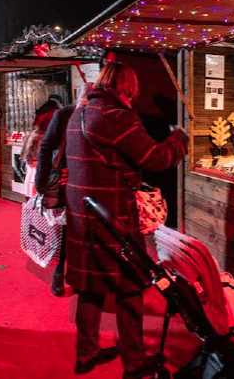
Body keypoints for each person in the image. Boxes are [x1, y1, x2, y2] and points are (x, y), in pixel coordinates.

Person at [64, 62, 188, 378]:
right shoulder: (117, 116)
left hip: (82, 212)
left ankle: (85, 354)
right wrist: (178, 139)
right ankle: (134, 362)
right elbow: (154, 159)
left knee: (90, 287)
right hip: (113, 213)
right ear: (126, 88)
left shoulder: (78, 113)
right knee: (129, 287)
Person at [35, 82, 93, 297]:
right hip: (66, 179)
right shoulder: (64, 114)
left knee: (82, 231)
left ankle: (75, 276)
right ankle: (60, 273)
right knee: (67, 230)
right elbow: (46, 146)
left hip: (87, 180)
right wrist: (41, 181)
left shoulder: (96, 115)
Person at [20, 95, 62, 199]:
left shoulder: (42, 110)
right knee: (36, 171)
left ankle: (27, 197)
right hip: (42, 141)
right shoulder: (53, 112)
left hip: (32, 139)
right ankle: (34, 198)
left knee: (30, 170)